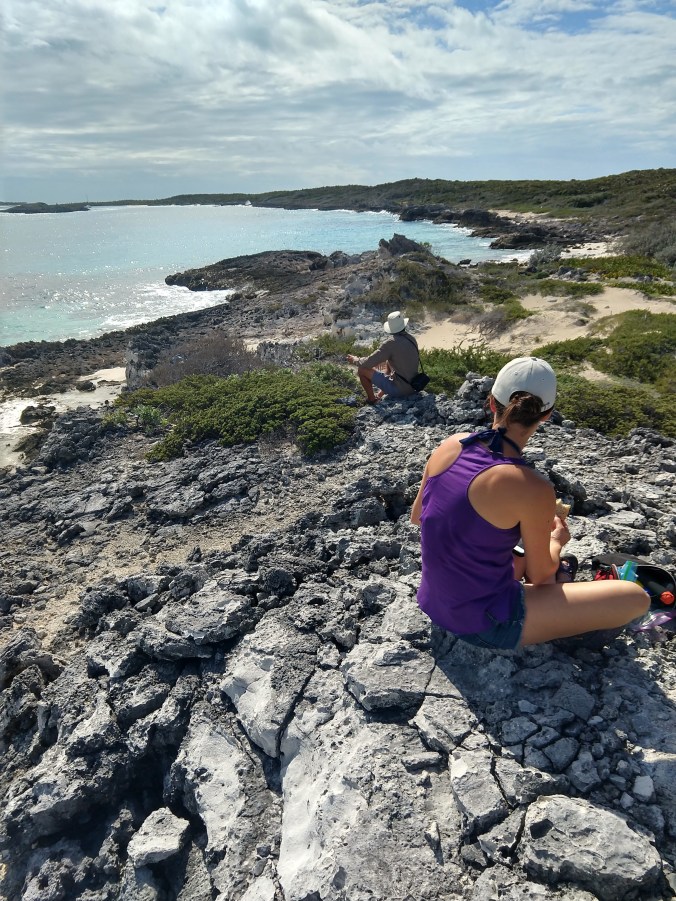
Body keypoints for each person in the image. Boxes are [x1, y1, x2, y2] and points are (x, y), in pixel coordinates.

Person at [410, 356, 649, 648]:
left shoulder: (452, 444)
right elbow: (540, 576)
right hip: (484, 624)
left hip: (433, 602)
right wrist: (557, 541)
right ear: (546, 415)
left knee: (522, 555)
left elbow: (418, 515)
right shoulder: (533, 487)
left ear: (492, 402)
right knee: (635, 598)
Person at [346, 311, 420, 404]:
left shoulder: (391, 343)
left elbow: (367, 363)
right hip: (414, 386)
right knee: (388, 363)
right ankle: (380, 394)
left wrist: (355, 359)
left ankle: (372, 400)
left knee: (362, 370)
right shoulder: (411, 338)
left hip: (401, 390)